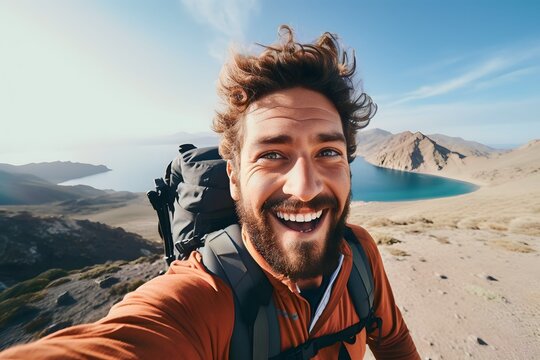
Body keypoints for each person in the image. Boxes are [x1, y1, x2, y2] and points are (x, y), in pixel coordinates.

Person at [0, 26, 419, 359]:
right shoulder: (202, 297)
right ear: (234, 176)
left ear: (348, 166)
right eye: (273, 154)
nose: (305, 186)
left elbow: (395, 341)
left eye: (328, 151)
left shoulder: (360, 255)